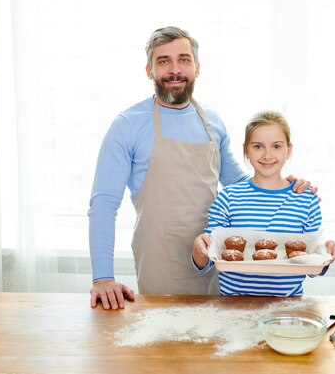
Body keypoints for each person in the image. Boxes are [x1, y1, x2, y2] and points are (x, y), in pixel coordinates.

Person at [88, 26, 315, 309]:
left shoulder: (213, 122)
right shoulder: (128, 125)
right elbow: (104, 203)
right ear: (149, 70)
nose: (175, 69)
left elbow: (241, 185)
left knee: (215, 340)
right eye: (163, 61)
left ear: (197, 67)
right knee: (167, 343)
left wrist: (287, 186)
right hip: (161, 260)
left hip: (217, 256)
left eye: (183, 59)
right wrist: (102, 278)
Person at [192, 110, 335, 296]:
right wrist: (199, 248)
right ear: (246, 150)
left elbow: (313, 267)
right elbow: (207, 263)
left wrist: (326, 253)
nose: (267, 155)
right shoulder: (228, 197)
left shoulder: (306, 199)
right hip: (234, 308)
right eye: (258, 146)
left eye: (276, 146)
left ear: (289, 150)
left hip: (288, 309)